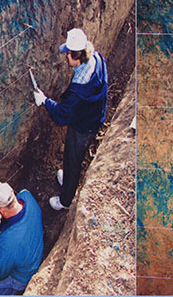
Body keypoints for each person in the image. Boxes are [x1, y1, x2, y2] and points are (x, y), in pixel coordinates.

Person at [33, 28, 108, 211]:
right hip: (94, 116)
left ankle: (65, 200)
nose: (65, 56)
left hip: (84, 127)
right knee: (70, 157)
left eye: (68, 53)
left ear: (77, 56)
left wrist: (45, 101)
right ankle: (67, 179)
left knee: (73, 160)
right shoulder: (96, 58)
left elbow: (61, 115)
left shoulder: (80, 90)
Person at [0, 182, 43, 295]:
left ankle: (9, 293)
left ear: (1, 210)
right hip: (32, 253)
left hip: (23, 276)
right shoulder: (27, 196)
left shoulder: (10, 243)